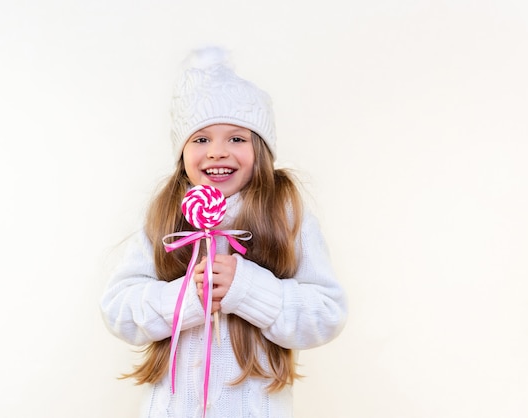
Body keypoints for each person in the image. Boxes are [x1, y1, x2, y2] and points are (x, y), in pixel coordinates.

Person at [100, 46, 347, 418]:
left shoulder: (285, 213)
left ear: (260, 149)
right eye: (201, 139)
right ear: (182, 152)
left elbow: (327, 313)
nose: (217, 151)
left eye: (236, 138)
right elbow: (118, 308)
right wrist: (189, 297)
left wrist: (246, 289)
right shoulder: (164, 215)